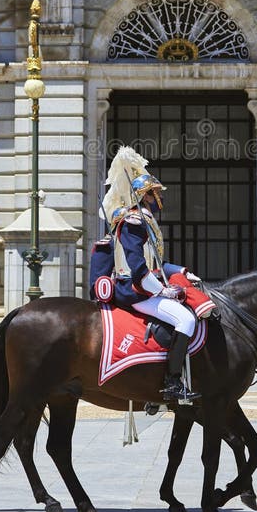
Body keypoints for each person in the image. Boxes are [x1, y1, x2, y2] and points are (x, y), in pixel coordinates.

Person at [98, 146, 203, 402]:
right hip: (133, 290)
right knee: (185, 320)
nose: (160, 198)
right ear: (145, 195)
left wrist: (181, 272)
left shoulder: (145, 221)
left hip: (142, 285)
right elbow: (138, 269)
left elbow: (155, 262)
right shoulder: (133, 223)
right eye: (156, 193)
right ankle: (172, 382)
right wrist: (162, 290)